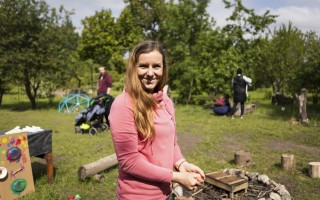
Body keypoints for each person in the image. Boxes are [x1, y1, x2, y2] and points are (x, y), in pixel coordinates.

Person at [108, 40, 205, 200]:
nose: (150, 72)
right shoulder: (123, 104)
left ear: (163, 68)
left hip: (165, 193)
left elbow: (171, 143)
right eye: (144, 66)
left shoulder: (165, 101)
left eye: (156, 66)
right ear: (134, 68)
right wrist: (177, 177)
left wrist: (182, 164)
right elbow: (129, 161)